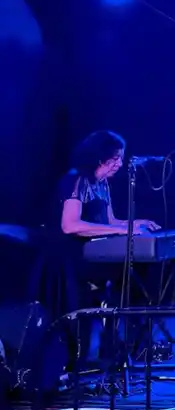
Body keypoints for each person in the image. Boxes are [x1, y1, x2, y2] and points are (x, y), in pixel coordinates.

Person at [30, 130, 160, 367]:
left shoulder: (102, 184)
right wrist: (122, 230)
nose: (119, 164)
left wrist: (134, 223)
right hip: (69, 258)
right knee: (126, 272)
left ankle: (122, 344)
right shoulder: (76, 180)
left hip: (93, 253)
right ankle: (104, 346)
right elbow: (70, 225)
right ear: (99, 157)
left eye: (120, 159)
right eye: (115, 159)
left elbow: (110, 222)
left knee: (137, 270)